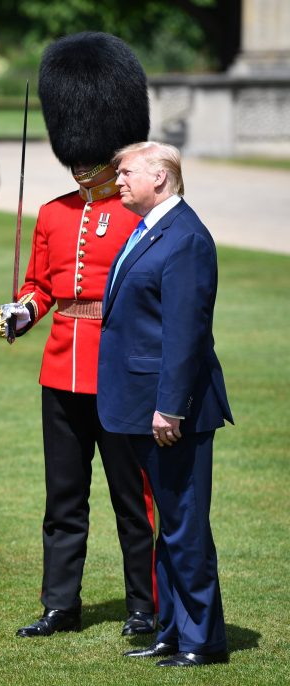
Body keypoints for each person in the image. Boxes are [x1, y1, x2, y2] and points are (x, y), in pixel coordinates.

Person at [0, 33, 157, 639]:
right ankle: (61, 602)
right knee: (63, 500)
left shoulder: (139, 214)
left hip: (118, 372)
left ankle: (145, 603)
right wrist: (20, 314)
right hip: (61, 371)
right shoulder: (56, 213)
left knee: (132, 500)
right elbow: (42, 287)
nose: (81, 161)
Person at [99, 141, 233, 667]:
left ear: (160, 176)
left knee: (185, 523)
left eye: (126, 172)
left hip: (172, 410)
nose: (118, 181)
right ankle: (171, 631)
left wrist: (170, 407)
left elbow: (185, 334)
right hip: (141, 402)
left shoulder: (186, 238)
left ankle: (203, 640)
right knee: (169, 526)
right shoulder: (150, 228)